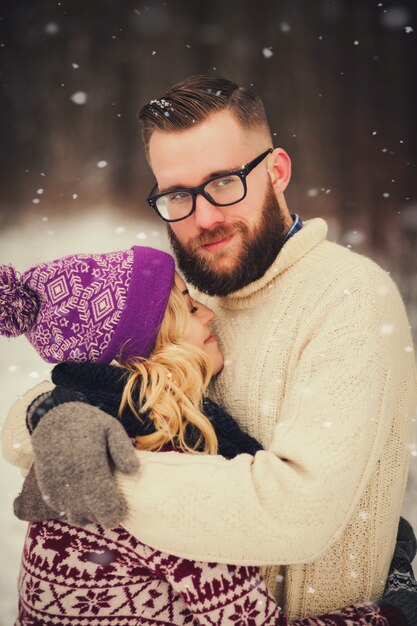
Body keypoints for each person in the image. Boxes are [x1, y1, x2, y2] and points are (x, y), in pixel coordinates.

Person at [2, 75, 417, 622]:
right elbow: (73, 398)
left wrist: (107, 479)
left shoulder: (347, 298)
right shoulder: (194, 291)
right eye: (177, 195)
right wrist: (50, 420)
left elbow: (295, 512)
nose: (204, 218)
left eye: (224, 183)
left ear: (277, 171)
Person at [0, 246, 405, 626]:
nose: (210, 314)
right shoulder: (167, 478)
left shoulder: (81, 449)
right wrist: (393, 610)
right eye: (190, 307)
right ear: (146, 350)